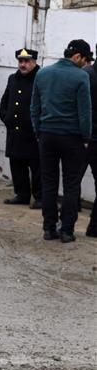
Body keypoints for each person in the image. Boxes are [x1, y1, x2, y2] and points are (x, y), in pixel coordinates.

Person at [31, 39, 92, 243]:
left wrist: (39, 131)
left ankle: (49, 228)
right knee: (71, 184)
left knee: (48, 182)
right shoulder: (81, 76)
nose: (86, 64)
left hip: (47, 135)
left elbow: (34, 107)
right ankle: (67, 230)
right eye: (85, 60)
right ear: (77, 56)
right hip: (72, 137)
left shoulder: (43, 73)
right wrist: (85, 137)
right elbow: (85, 113)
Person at [0, 49, 42, 209]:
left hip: (32, 132)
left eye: (27, 61)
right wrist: (6, 117)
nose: (23, 65)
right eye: (20, 61)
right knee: (17, 165)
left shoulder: (41, 79)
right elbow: (5, 101)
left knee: (37, 167)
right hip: (14, 131)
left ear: (34, 62)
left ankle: (40, 197)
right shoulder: (13, 78)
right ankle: (22, 194)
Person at [83, 53, 97, 238]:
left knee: (71, 182)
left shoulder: (85, 73)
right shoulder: (86, 74)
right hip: (88, 137)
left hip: (82, 136)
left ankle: (62, 227)